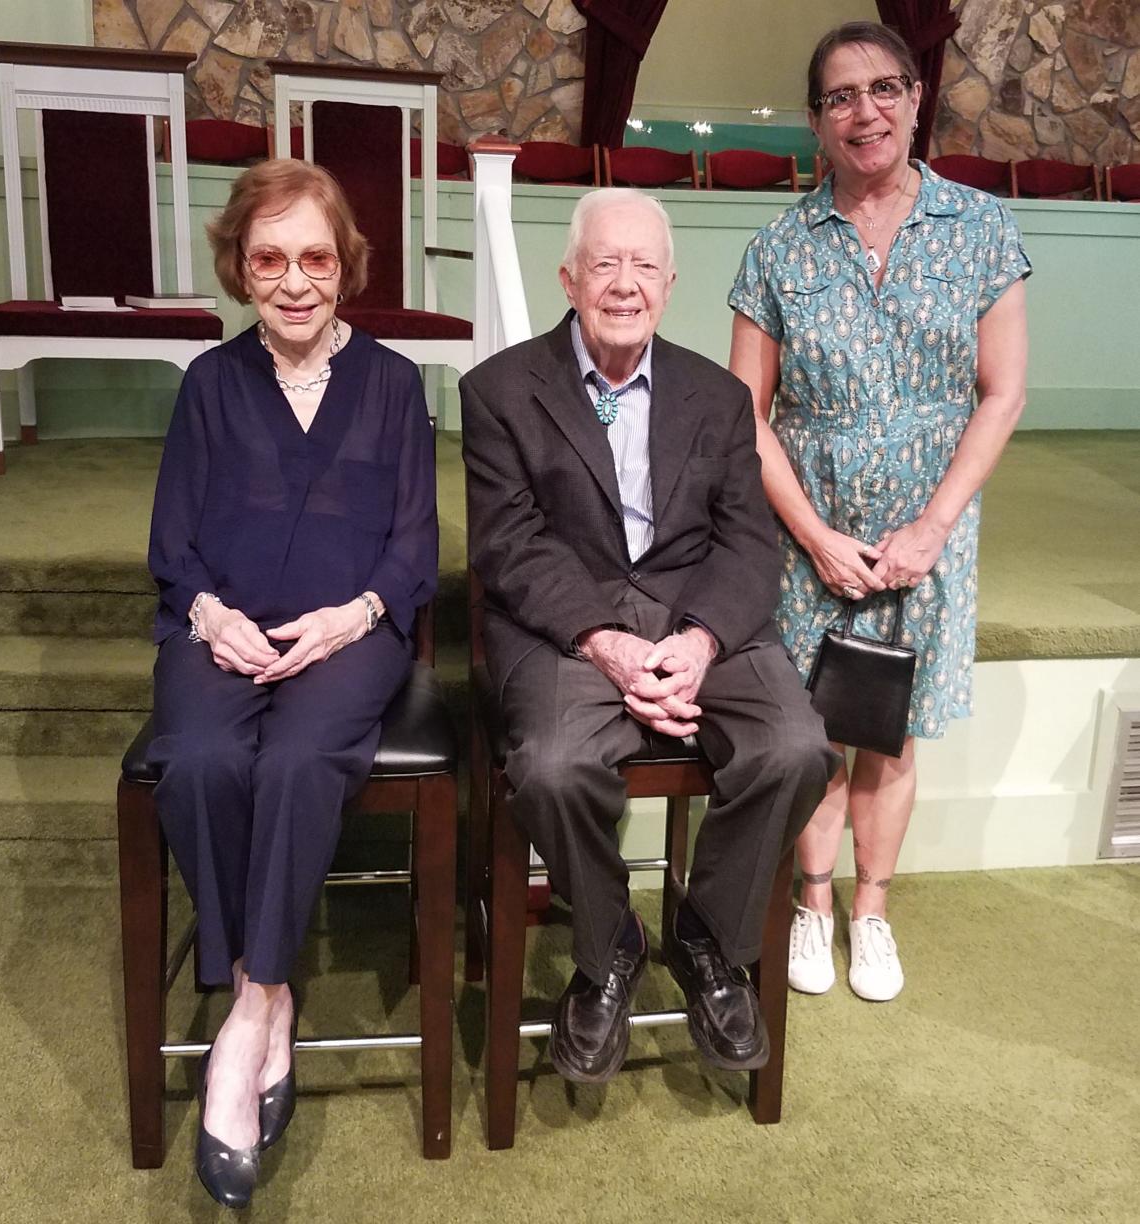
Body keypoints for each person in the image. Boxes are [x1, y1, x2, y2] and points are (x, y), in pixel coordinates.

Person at [461, 188, 838, 1085]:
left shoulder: (718, 394)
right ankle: (611, 941)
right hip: (569, 627)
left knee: (797, 747)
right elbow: (507, 545)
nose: (623, 285)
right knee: (550, 767)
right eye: (604, 263)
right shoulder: (501, 391)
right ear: (569, 277)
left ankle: (708, 933)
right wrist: (606, 642)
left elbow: (749, 540)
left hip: (702, 620)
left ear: (670, 284)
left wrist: (701, 641)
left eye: (643, 268)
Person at [147, 159, 437, 1208]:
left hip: (347, 636)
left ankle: (250, 1011)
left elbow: (414, 546)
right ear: (241, 267)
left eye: (315, 256)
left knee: (303, 757)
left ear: (345, 265)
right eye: (269, 258)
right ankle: (266, 997)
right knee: (200, 758)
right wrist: (210, 616)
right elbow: (172, 541)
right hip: (219, 630)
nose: (295, 280)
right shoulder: (208, 386)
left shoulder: (397, 385)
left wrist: (355, 617)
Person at [728, 21, 1030, 1003]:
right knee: (814, 733)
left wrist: (934, 525)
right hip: (807, 538)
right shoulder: (777, 248)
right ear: (816, 121)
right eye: (841, 96)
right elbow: (747, 418)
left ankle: (872, 910)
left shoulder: (981, 229)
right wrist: (815, 538)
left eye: (884, 88)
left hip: (929, 540)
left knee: (888, 734)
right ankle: (812, 904)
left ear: (913, 98)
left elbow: (1002, 393)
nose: (867, 112)